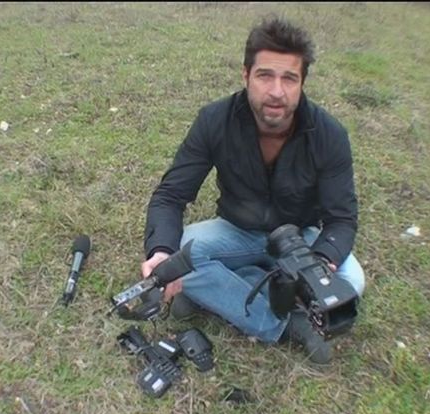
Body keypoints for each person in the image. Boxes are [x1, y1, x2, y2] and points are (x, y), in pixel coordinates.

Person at [140, 16, 366, 364]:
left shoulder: (329, 135)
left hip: (298, 238)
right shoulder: (214, 120)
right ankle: (285, 323)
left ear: (302, 82)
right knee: (176, 254)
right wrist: (160, 252)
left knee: (352, 281)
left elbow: (341, 219)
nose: (276, 91)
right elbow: (171, 196)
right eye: (265, 75)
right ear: (246, 75)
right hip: (236, 229)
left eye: (289, 78)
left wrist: (319, 264)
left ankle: (222, 290)